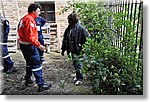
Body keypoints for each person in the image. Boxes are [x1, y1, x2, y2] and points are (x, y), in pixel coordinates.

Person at [17, 3, 51, 92]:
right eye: (38, 11)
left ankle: (28, 79)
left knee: (29, 62)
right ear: (33, 11)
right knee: (36, 63)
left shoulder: (24, 18)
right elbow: (30, 37)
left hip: (24, 44)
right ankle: (41, 84)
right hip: (29, 45)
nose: (39, 13)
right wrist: (39, 45)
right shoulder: (30, 20)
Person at [61, 12, 89, 85]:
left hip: (79, 50)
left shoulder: (81, 28)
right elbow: (65, 39)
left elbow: (87, 40)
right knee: (75, 64)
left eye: (69, 20)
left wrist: (84, 50)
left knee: (79, 65)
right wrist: (63, 49)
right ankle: (77, 76)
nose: (68, 22)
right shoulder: (69, 28)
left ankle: (80, 79)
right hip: (72, 50)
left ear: (74, 21)